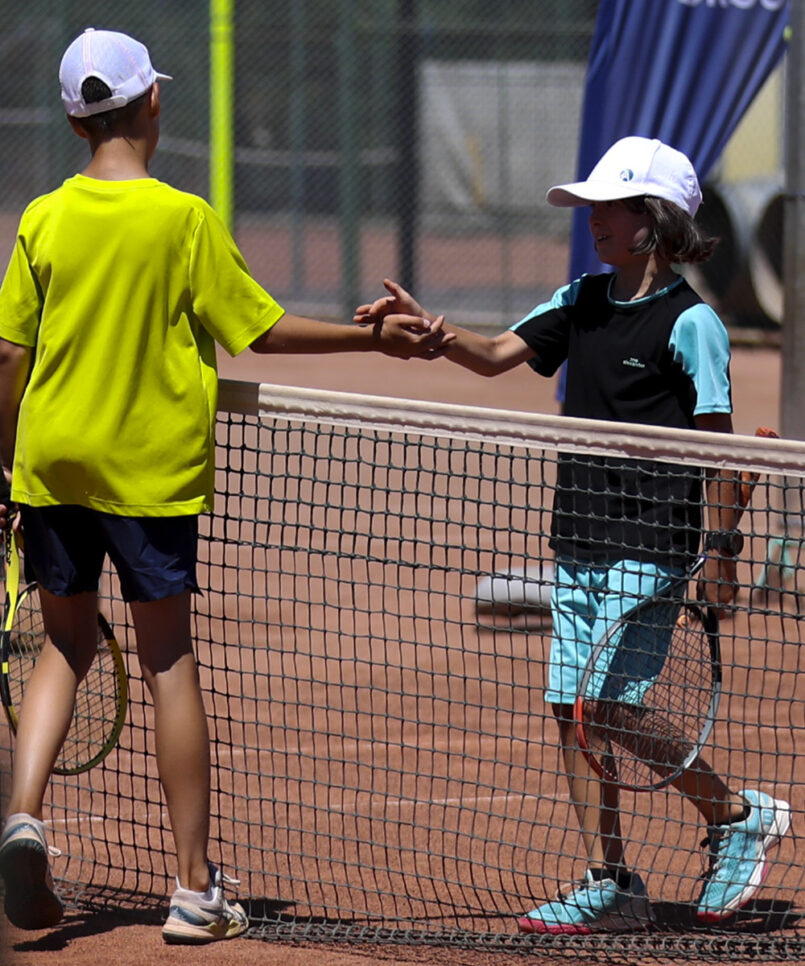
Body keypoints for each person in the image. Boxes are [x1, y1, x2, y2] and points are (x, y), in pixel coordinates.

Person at [0, 28, 451, 945]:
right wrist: (375, 337)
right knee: (167, 662)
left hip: (50, 466)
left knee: (61, 646)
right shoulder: (183, 218)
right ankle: (194, 888)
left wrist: (6, 464)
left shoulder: (42, 217)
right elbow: (262, 331)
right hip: (149, 477)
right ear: (153, 104)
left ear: (73, 117)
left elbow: (9, 355)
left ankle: (21, 814)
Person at [356, 136, 792, 934]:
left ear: (652, 223)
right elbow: (492, 355)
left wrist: (721, 554)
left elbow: (723, 450)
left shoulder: (693, 325)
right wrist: (434, 331)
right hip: (578, 540)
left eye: (611, 205)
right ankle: (609, 880)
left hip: (653, 542)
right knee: (571, 707)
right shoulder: (577, 301)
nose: (593, 217)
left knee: (611, 704)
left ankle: (734, 813)